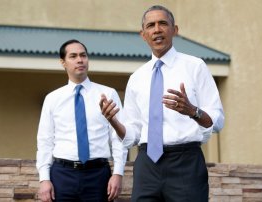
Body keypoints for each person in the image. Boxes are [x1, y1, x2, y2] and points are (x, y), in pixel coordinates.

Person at [101, 5, 224, 202]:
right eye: (151, 25)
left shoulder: (195, 67)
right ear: (143, 34)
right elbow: (133, 134)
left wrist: (192, 111)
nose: (157, 29)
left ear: (175, 30)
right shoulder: (136, 78)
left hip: (185, 163)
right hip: (146, 163)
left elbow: (216, 121)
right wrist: (113, 121)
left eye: (162, 23)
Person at [36, 39, 127, 202]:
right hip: (62, 176)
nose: (80, 60)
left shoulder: (108, 94)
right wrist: (44, 178)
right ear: (63, 62)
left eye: (83, 55)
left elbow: (119, 138)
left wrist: (118, 173)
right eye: (73, 56)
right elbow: (45, 141)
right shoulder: (53, 98)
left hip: (98, 175)